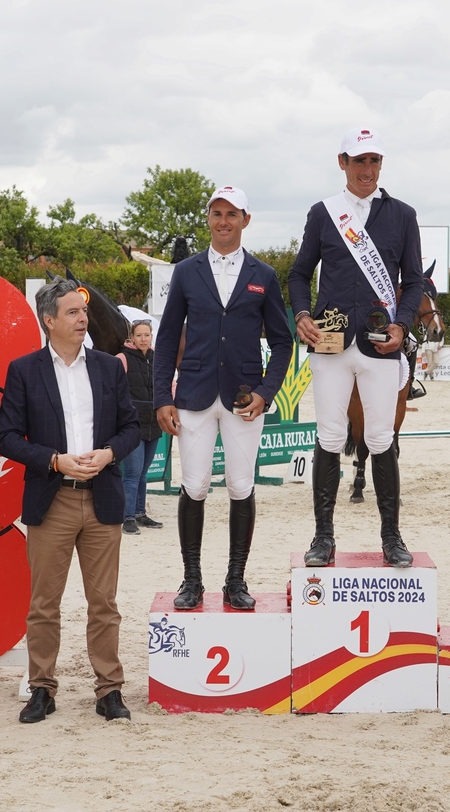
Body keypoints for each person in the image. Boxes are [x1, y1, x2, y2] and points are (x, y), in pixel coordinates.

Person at [0, 278, 140, 723]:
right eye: (74, 312)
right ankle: (41, 689)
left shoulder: (108, 367)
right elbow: (6, 438)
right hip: (50, 498)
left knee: (105, 604)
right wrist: (55, 461)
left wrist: (109, 453)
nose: (84, 318)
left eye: (83, 311)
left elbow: (132, 428)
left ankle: (109, 691)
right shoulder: (24, 370)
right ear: (49, 321)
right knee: (44, 605)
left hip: (102, 499)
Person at [288, 127, 424, 569]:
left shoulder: (403, 214)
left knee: (382, 438)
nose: (368, 170)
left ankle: (392, 537)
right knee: (329, 437)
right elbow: (298, 273)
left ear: (381, 165)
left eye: (375, 161)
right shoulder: (323, 213)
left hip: (382, 344)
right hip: (330, 343)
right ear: (343, 162)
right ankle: (323, 537)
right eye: (359, 161)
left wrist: (404, 324)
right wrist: (303, 315)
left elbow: (415, 280)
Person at [154, 185, 292, 610]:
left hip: (243, 398)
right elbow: (164, 340)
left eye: (232, 214)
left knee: (240, 485)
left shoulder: (263, 275)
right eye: (217, 213)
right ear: (208, 218)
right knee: (193, 486)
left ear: (246, 220)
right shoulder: (187, 271)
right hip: (194, 394)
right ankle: (191, 579)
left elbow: (284, 343)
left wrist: (267, 393)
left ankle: (236, 580)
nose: (223, 221)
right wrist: (162, 395)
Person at [118, 319, 162, 535]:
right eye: (139, 335)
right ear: (132, 338)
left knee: (143, 473)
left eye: (147, 335)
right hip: (133, 425)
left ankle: (139, 513)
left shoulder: (158, 359)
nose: (143, 339)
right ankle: (127, 518)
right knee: (132, 473)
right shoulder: (122, 359)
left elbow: (167, 386)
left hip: (154, 422)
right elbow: (113, 391)